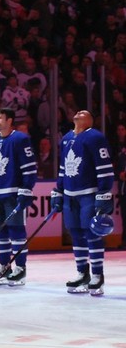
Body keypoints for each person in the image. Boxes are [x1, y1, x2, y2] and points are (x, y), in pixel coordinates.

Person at [52, 110, 114, 296]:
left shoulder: (95, 137)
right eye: (78, 112)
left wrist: (104, 193)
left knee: (91, 233)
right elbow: (63, 167)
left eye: (84, 112)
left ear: (90, 120)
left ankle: (97, 275)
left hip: (89, 193)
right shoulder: (66, 139)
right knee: (75, 233)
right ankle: (82, 273)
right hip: (70, 194)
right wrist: (58, 190)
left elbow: (105, 166)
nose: (79, 113)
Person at [0, 107, 37, 285]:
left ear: (10, 120)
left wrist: (26, 189)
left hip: (12, 193)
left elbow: (29, 167)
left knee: (16, 230)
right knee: (0, 232)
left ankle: (20, 268)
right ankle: (4, 266)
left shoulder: (20, 139)